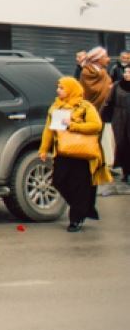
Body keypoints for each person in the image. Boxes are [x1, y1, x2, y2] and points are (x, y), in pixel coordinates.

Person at [39, 77, 111, 231]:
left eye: (62, 88)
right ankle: (83, 207)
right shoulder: (56, 107)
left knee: (79, 186)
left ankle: (76, 219)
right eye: (58, 87)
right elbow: (48, 130)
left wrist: (73, 125)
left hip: (81, 154)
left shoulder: (84, 107)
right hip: (62, 152)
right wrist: (44, 149)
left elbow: (96, 126)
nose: (58, 90)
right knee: (58, 181)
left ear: (71, 90)